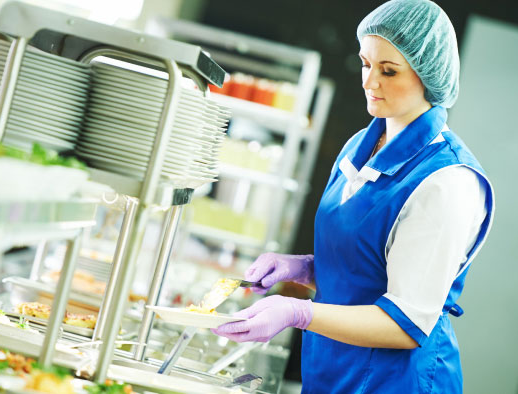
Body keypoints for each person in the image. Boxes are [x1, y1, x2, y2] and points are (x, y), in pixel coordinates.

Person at [211, 1, 495, 393]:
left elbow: (406, 323)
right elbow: (367, 270)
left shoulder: (445, 182)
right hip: (334, 367)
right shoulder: (360, 147)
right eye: (366, 63)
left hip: (395, 381)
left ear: (428, 76)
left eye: (388, 70)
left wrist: (298, 312)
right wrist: (306, 269)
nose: (368, 81)